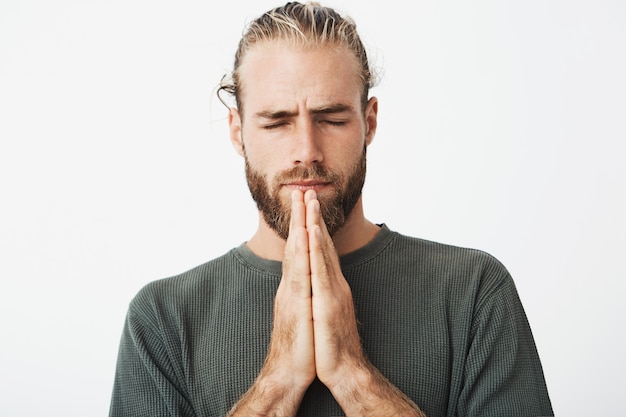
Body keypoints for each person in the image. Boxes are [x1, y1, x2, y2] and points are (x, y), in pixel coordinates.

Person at [109, 2, 553, 416]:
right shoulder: (162, 317)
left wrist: (354, 377)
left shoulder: (473, 292)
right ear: (238, 132)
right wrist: (278, 382)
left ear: (370, 123)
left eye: (332, 119)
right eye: (277, 122)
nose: (306, 150)